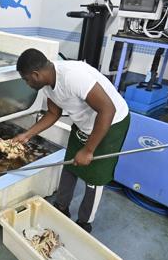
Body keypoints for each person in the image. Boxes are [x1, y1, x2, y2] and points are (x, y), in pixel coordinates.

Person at [13, 48, 130, 233]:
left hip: (110, 123)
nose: (27, 84)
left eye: (26, 79)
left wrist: (89, 150)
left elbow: (108, 109)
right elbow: (53, 113)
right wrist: (27, 134)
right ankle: (62, 206)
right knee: (70, 166)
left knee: (94, 177)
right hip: (83, 123)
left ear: (36, 74)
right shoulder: (46, 84)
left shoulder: (73, 77)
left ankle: (84, 222)